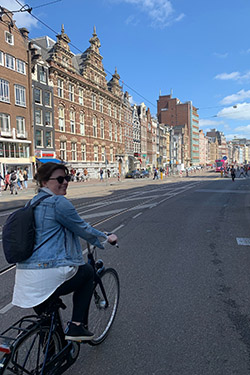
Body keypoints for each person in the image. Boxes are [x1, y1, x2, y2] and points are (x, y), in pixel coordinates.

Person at [12, 162, 117, 342]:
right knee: (88, 272)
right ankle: (77, 326)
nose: (65, 182)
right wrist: (106, 237)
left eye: (67, 178)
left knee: (48, 323)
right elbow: (82, 228)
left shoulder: (31, 203)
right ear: (44, 182)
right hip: (47, 275)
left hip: (25, 278)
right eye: (60, 179)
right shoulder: (58, 202)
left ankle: (50, 361)